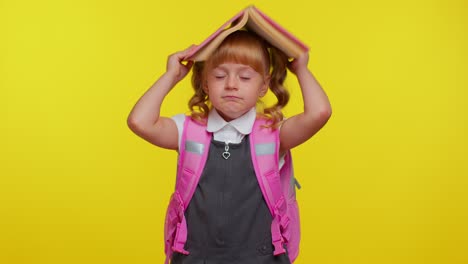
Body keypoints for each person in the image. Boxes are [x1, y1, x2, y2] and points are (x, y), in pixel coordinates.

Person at [127, 30, 331, 264]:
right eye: (220, 76)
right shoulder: (188, 130)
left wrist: (301, 70)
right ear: (205, 83)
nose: (232, 85)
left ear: (264, 86)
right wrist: (172, 75)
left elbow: (319, 113)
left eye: (245, 78)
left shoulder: (273, 134)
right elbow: (139, 122)